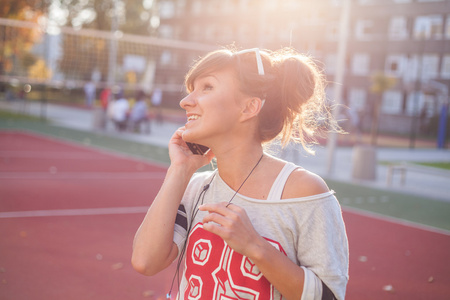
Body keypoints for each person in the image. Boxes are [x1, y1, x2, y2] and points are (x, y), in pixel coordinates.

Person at [132, 47, 349, 300]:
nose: (186, 101)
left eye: (207, 87)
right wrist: (180, 170)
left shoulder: (303, 190)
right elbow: (145, 262)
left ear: (249, 108)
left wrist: (254, 246)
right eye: (191, 89)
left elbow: (328, 297)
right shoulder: (196, 187)